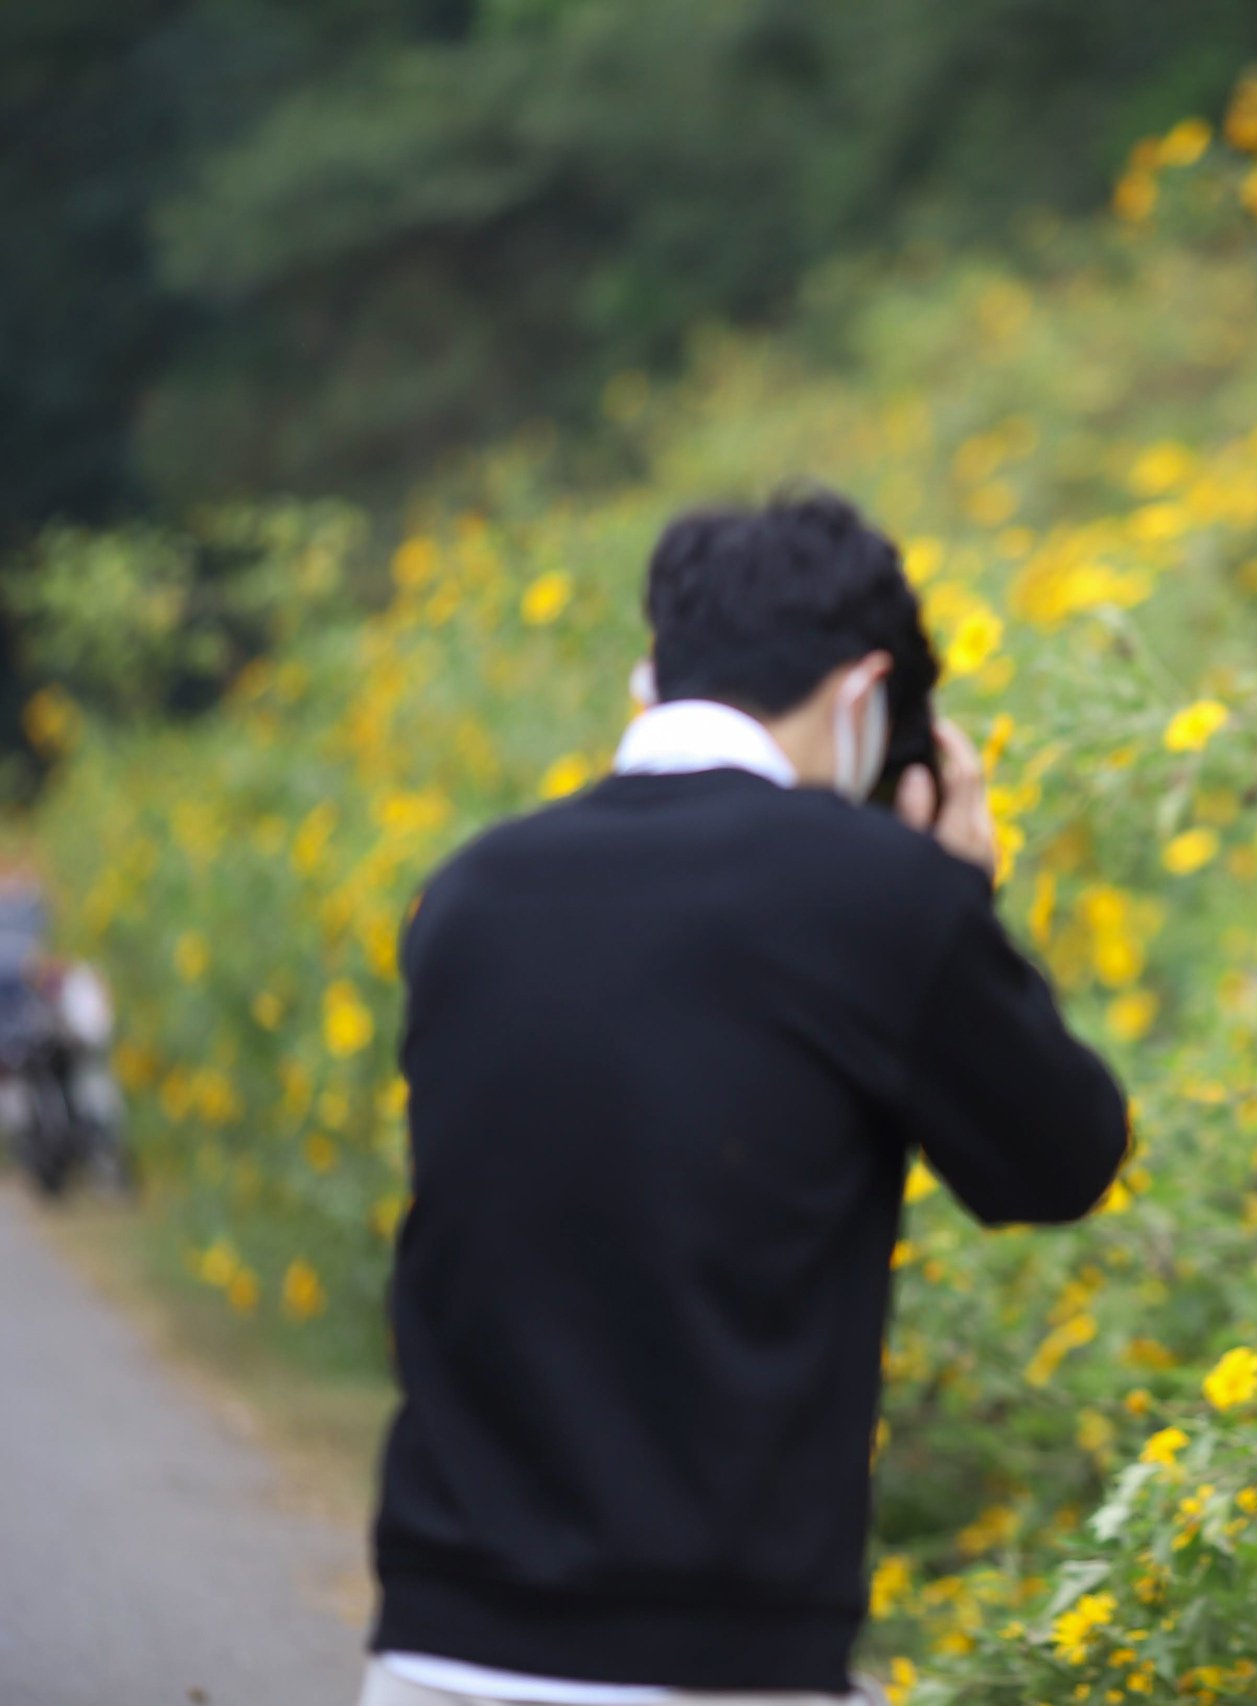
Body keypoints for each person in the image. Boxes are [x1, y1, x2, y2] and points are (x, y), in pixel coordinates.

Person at [359, 490, 1130, 1706]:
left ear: (650, 674)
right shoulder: (878, 896)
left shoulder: (468, 891)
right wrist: (958, 904)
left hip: (435, 1640)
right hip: (718, 1657)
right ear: (869, 695)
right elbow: (1061, 1160)